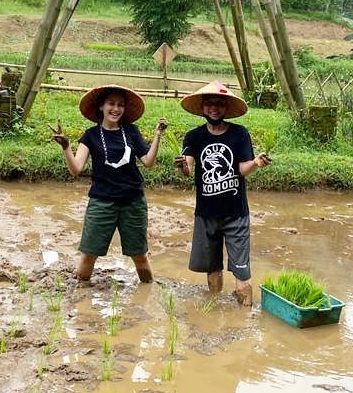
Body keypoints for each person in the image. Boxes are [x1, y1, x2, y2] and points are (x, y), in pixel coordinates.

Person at [50, 84, 166, 284]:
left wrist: (157, 136)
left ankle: (148, 290)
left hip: (133, 202)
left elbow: (148, 161)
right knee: (88, 255)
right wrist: (66, 147)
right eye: (111, 103)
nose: (116, 109)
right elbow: (76, 169)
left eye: (120, 105)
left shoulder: (130, 131)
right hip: (101, 202)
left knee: (140, 256)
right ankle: (80, 295)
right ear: (101, 107)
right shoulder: (91, 135)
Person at [174, 81, 270, 306]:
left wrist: (256, 163)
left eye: (219, 103)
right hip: (206, 214)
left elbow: (243, 169)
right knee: (212, 267)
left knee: (242, 272)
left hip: (236, 214)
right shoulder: (194, 137)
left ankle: (243, 316)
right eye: (209, 103)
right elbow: (188, 170)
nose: (214, 108)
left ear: (226, 108)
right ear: (202, 107)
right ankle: (214, 309)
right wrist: (182, 166)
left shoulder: (239, 134)